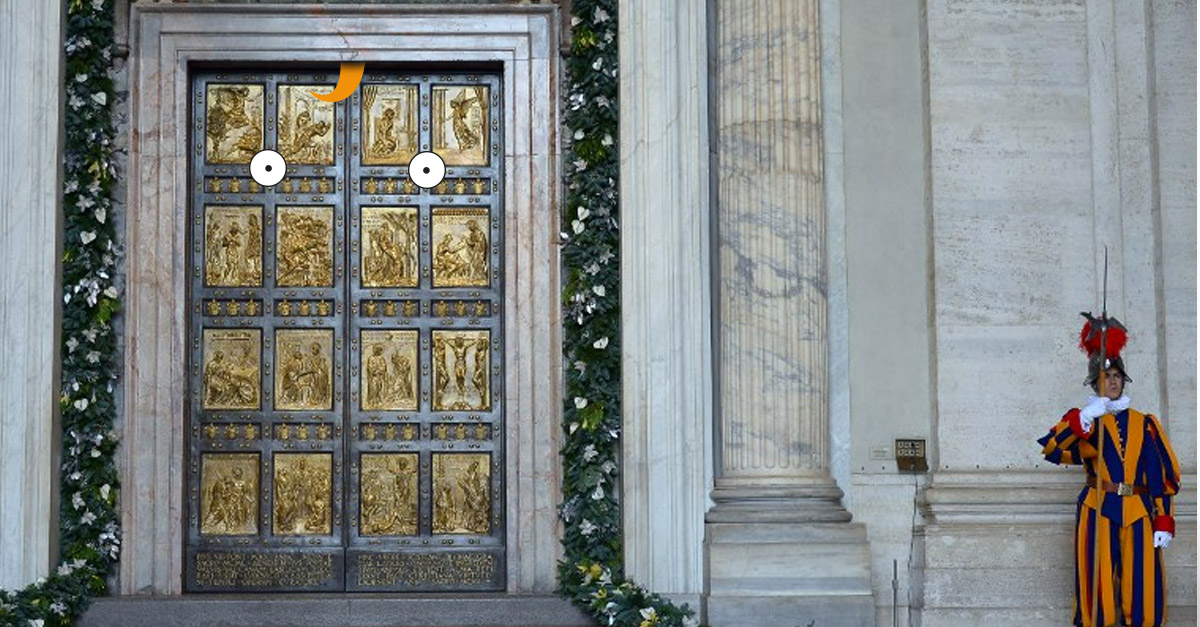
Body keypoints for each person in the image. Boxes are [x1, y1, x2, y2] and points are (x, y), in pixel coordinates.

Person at [1038, 315, 1181, 627]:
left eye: (1117, 375)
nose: (1113, 381)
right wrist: (1084, 418)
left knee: (1143, 584)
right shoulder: (1085, 422)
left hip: (1139, 511)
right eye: (1106, 375)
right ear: (1095, 382)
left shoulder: (1145, 423)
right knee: (1096, 580)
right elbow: (1052, 449)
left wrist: (1164, 518)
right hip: (1097, 507)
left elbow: (1163, 476)